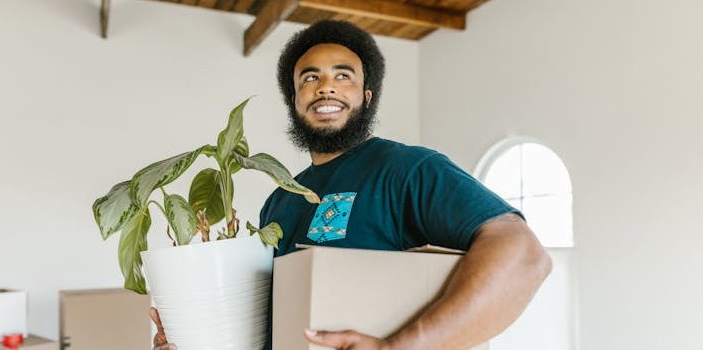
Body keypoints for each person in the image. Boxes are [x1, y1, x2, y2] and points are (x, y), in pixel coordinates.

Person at [152, 20, 551, 350]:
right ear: (295, 100)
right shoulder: (279, 200)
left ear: (366, 95)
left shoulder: (406, 168)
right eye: (311, 78)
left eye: (343, 75)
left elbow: (524, 254)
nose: (326, 87)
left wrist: (401, 348)